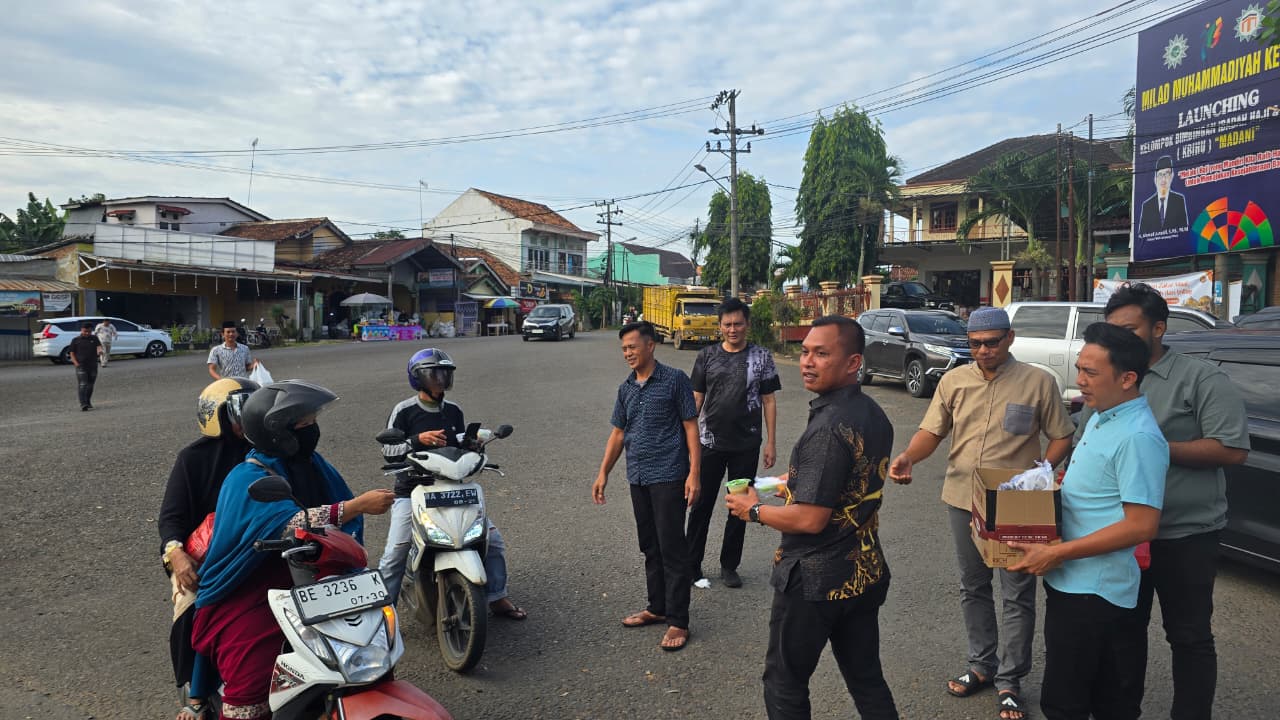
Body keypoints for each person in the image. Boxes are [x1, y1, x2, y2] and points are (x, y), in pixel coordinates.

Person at [888, 306, 1074, 720]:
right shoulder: (953, 381)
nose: (984, 351)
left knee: (1017, 592)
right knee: (972, 585)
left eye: (992, 342)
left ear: (1010, 338)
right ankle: (981, 665)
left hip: (1017, 502)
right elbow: (931, 431)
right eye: (975, 344)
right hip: (962, 497)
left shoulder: (1037, 382)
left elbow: (1062, 435)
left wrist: (1040, 473)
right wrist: (908, 457)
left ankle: (1010, 679)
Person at [1090, 283, 1250, 719]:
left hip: (1185, 533)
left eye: (1129, 329)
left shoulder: (1200, 378)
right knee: (1124, 631)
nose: (1119, 338)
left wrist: (1152, 447)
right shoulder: (1110, 376)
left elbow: (1232, 449)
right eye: (1111, 329)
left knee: (1189, 636)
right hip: (1122, 533)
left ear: (1159, 327)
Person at [725, 315, 898, 720]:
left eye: (822, 354)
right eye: (805, 351)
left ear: (853, 362)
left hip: (815, 583)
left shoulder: (828, 428)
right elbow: (851, 482)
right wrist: (793, 483)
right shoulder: (872, 413)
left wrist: (752, 510)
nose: (807, 361)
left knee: (784, 683)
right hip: (864, 573)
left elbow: (810, 520)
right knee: (867, 679)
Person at [192, 380, 394, 720]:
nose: (312, 429)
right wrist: (354, 506)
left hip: (314, 575)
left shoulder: (313, 464)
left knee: (366, 640)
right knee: (253, 671)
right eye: (303, 424)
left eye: (313, 420)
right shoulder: (246, 475)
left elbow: (333, 509)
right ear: (276, 431)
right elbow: (289, 522)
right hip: (252, 584)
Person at [1008, 322, 1168, 720]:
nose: (1079, 380)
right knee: (1069, 692)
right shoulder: (1100, 414)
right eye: (1080, 369)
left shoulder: (1137, 437)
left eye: (1091, 373)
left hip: (1097, 592)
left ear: (1128, 378)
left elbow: (1142, 525)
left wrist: (1059, 552)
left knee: (1080, 702)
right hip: (1071, 580)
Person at [378, 348, 527, 620]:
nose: (441, 379)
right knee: (396, 551)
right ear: (418, 378)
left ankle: (496, 597)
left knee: (491, 541)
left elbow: (457, 444)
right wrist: (417, 439)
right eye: (434, 374)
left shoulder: (454, 410)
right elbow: (388, 451)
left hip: (451, 488)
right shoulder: (404, 410)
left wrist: (473, 445)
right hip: (411, 491)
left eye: (445, 374)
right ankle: (379, 614)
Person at [592, 321, 700, 652]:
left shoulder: (675, 380)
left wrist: (695, 473)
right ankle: (657, 607)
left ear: (650, 345)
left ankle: (679, 621)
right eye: (624, 348)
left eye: (633, 347)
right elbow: (619, 434)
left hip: (669, 475)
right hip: (638, 476)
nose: (628, 353)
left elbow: (691, 427)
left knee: (672, 549)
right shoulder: (626, 388)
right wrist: (603, 473)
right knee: (649, 546)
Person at [158, 377, 259, 720]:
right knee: (189, 609)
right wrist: (176, 554)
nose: (248, 418)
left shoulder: (267, 450)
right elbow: (171, 518)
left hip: (260, 547)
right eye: (241, 410)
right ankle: (193, 694)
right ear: (215, 414)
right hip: (206, 558)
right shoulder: (192, 459)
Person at [686, 297, 781, 587]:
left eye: (738, 323)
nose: (732, 329)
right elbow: (696, 399)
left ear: (747, 325)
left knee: (739, 506)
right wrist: (687, 442)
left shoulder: (762, 357)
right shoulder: (706, 357)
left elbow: (769, 400)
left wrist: (771, 442)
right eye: (727, 324)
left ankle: (729, 566)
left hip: (745, 444)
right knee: (700, 505)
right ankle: (692, 566)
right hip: (709, 443)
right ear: (719, 327)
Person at [1138, 155, 1189, 235]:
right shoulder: (1147, 206)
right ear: (1155, 179)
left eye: (1167, 173)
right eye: (1160, 174)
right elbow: (1141, 234)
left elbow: (1185, 230)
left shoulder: (1179, 200)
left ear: (1172, 176)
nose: (1163, 179)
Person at [68, 322, 102, 411]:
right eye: (85, 331)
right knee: (83, 384)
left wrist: (100, 351)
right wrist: (76, 363)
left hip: (93, 365)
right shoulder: (75, 340)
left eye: (89, 332)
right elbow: (71, 353)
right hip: (81, 365)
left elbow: (99, 346)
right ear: (81, 330)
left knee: (90, 384)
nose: (87, 333)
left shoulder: (94, 338)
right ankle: (83, 404)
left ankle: (88, 401)